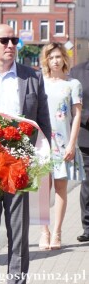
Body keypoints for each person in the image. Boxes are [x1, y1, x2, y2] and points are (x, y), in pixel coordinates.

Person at [0, 24, 52, 283]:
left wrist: (40, 159)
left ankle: (17, 281)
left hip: (19, 166)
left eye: (14, 40)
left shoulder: (32, 77)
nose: (10, 45)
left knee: (18, 235)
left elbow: (43, 122)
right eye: (4, 40)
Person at [39, 43, 85, 250]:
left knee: (60, 188)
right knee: (41, 190)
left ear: (64, 59)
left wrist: (72, 144)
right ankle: (44, 231)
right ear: (46, 60)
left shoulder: (73, 84)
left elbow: (76, 116)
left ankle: (57, 232)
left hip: (64, 142)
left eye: (59, 56)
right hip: (42, 142)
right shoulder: (40, 82)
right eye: (52, 57)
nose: (55, 60)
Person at [70, 59, 89, 243]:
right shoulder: (77, 72)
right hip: (87, 137)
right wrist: (85, 117)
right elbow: (70, 104)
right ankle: (88, 227)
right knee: (88, 185)